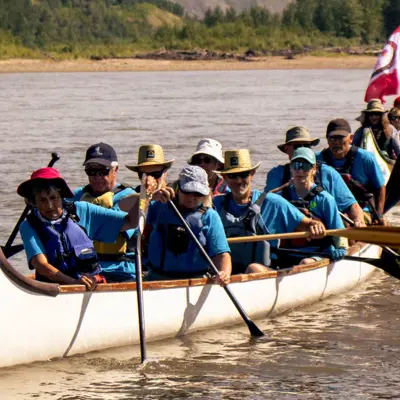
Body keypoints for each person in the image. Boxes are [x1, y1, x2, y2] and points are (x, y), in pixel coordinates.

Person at [18, 167, 139, 290]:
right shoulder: (28, 226)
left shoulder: (82, 210)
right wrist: (73, 283)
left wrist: (143, 196)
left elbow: (130, 222)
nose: (50, 206)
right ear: (34, 202)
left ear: (62, 196)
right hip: (55, 288)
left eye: (54, 198)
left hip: (91, 283)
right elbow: (41, 265)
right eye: (42, 200)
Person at [213, 149, 326, 272]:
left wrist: (316, 226)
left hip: (265, 270)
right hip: (224, 274)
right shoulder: (215, 205)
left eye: (244, 175)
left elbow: (309, 224)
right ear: (224, 177)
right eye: (232, 176)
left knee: (253, 269)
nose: (239, 181)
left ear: (252, 174)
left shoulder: (274, 203)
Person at [137, 166, 231, 285]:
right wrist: (148, 196)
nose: (191, 198)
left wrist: (224, 274)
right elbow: (124, 209)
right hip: (157, 278)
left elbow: (222, 254)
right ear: (178, 187)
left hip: (196, 281)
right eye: (187, 191)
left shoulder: (210, 217)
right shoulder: (158, 207)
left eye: (197, 193)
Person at [265, 126, 366, 227]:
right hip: (289, 233)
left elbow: (350, 205)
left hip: (323, 235)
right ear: (286, 149)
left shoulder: (328, 173)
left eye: (306, 146)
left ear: (313, 169)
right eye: (298, 146)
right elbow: (262, 203)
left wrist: (358, 221)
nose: (302, 149)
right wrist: (285, 186)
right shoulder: (276, 174)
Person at [73, 142, 137, 282]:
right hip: (86, 270)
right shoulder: (79, 195)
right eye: (91, 171)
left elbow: (118, 224)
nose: (97, 177)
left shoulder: (129, 198)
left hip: (120, 271)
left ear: (115, 170)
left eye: (103, 171)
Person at [278, 147, 348, 264]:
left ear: (314, 169)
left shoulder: (325, 199)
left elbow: (338, 231)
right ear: (290, 168)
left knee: (305, 262)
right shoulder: (281, 198)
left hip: (318, 253)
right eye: (295, 165)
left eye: (305, 166)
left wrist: (341, 248)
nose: (299, 170)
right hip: (287, 252)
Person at [317, 118, 387, 225]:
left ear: (351, 138)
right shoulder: (316, 160)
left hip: (362, 211)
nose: (336, 142)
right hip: (330, 212)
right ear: (327, 139)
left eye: (341, 138)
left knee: (345, 223)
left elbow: (380, 188)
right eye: (332, 138)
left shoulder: (365, 158)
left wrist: (379, 214)